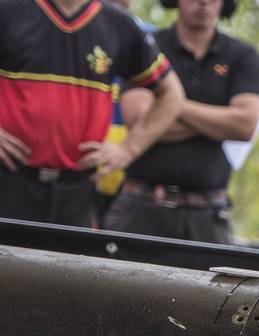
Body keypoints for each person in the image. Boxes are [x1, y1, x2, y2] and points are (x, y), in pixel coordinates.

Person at [0, 0, 183, 229]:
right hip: (9, 180)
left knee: (68, 265)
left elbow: (172, 94)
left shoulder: (120, 24)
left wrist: (128, 150)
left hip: (77, 190)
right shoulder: (9, 10)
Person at [104, 0, 259, 244]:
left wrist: (168, 103)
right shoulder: (147, 45)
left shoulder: (242, 55)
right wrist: (219, 122)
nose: (203, 2)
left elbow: (245, 125)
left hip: (207, 218)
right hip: (140, 212)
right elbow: (137, 120)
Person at [93, 0, 155, 223]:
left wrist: (130, 148)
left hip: (131, 164)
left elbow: (169, 96)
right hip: (79, 157)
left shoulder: (149, 35)